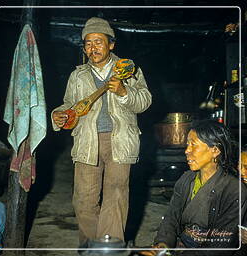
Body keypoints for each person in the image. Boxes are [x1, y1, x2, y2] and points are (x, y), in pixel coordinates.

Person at [51, 17, 152, 247]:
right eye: (87, 43)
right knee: (83, 201)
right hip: (87, 141)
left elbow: (145, 101)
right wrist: (59, 115)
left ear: (111, 44)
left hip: (120, 141)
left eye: (98, 42)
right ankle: (90, 247)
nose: (92, 48)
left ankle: (110, 248)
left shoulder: (128, 70)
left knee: (115, 198)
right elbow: (69, 104)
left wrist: (124, 91)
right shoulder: (78, 75)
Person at [140, 119, 247, 256]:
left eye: (193, 145)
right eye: (187, 145)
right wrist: (163, 245)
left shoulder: (234, 190)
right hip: (182, 245)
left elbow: (221, 245)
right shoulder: (186, 180)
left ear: (215, 150)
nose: (187, 150)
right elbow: (171, 219)